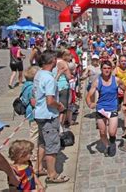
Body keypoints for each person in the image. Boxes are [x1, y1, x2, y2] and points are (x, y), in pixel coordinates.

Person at [33, 50, 69, 184]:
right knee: (52, 146)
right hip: (48, 115)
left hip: (39, 113)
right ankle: (52, 174)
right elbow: (50, 101)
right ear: (52, 60)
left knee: (42, 142)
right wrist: (59, 106)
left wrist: (58, 75)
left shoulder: (39, 74)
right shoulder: (48, 78)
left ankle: (38, 167)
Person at [86, 60, 126, 157]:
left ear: (111, 69)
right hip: (101, 109)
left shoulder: (116, 80)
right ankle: (108, 145)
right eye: (104, 68)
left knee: (112, 132)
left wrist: (124, 103)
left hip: (112, 108)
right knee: (102, 132)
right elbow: (88, 96)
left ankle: (112, 142)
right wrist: (90, 104)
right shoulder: (97, 81)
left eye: (109, 68)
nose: (107, 70)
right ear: (101, 69)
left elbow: (125, 90)